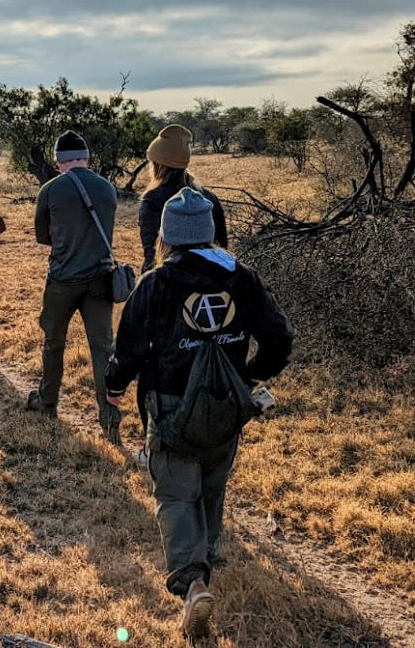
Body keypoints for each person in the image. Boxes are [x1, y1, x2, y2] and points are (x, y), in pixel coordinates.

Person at [105, 187, 292, 640]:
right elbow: (279, 340)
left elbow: (128, 349)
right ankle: (208, 552)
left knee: (174, 493)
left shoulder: (156, 283)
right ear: (209, 232)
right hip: (225, 407)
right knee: (212, 482)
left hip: (171, 407)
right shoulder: (241, 277)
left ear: (167, 234)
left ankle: (193, 581)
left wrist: (113, 385)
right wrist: (246, 379)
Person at [26, 130, 123, 443]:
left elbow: (42, 237)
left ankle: (48, 402)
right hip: (100, 280)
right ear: (87, 157)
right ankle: (109, 418)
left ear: (58, 160)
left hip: (63, 280)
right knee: (103, 349)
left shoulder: (51, 190)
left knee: (54, 341)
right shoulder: (107, 188)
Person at [138, 124, 227, 273]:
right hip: (210, 282)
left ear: (157, 165)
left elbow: (152, 256)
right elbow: (221, 248)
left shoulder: (152, 200)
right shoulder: (208, 198)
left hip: (169, 284)